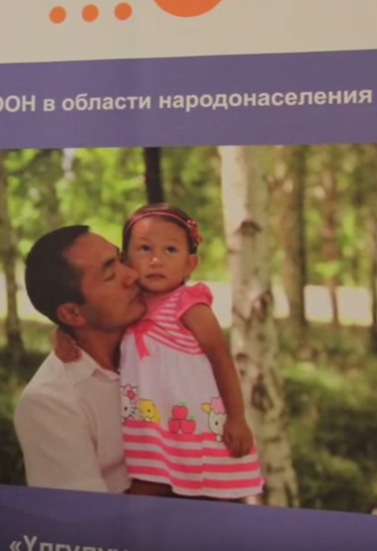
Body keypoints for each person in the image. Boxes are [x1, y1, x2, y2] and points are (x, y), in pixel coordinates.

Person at [53, 203, 264, 501]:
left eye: (170, 251)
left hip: (194, 433)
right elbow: (91, 321)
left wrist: (237, 418)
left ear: (190, 264)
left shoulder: (189, 305)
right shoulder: (129, 306)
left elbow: (221, 359)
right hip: (149, 434)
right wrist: (62, 333)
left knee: (207, 504)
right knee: (144, 497)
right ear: (126, 259)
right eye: (144, 249)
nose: (156, 260)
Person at [12, 225, 146, 495]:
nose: (133, 275)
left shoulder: (157, 336)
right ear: (73, 314)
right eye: (110, 273)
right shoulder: (50, 403)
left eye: (121, 259)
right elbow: (84, 522)